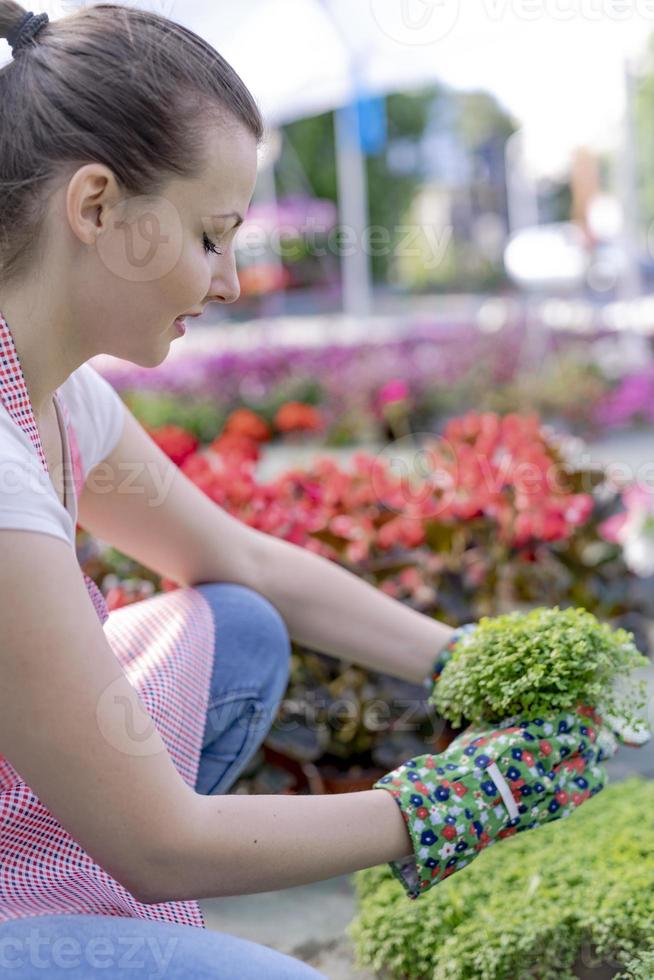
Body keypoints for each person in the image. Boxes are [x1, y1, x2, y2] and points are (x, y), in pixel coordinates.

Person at [0, 3, 616, 977]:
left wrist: (476, 659)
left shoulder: (57, 396)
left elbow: (238, 558)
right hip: (85, 863)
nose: (234, 280)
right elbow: (158, 848)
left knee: (236, 620)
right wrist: (456, 798)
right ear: (95, 207)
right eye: (212, 235)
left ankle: (74, 895)